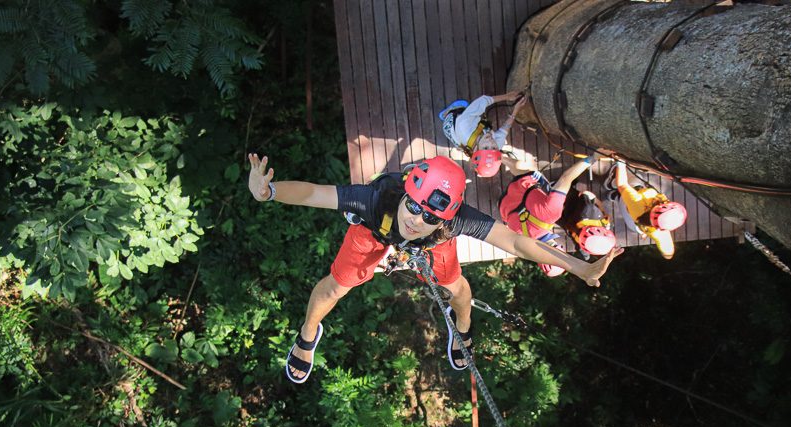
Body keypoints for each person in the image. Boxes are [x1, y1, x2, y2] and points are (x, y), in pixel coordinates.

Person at [247, 153, 622, 383]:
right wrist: (270, 191)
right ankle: (309, 333)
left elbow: (515, 241)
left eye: (429, 215)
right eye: (414, 207)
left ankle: (462, 328)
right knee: (334, 287)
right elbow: (315, 193)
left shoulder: (452, 222)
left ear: (447, 214)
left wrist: (579, 267)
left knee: (457, 288)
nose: (416, 220)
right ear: (406, 193)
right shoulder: (375, 199)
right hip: (372, 234)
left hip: (436, 247)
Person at [498, 154, 616, 276]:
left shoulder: (552, 213)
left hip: (520, 186)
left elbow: (566, 178)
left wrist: (593, 157)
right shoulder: (520, 244)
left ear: (561, 248)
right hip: (503, 207)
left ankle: (499, 157)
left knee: (526, 169)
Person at [439, 91, 528, 177]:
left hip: (451, 123)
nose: (491, 142)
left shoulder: (464, 127)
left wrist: (507, 96)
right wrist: (515, 111)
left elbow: (483, 101)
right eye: (493, 148)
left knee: (463, 106)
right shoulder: (495, 148)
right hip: (460, 138)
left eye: (485, 147)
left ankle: (447, 113)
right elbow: (504, 130)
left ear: (476, 150)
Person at [613, 161, 687, 259]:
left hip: (629, 204)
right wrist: (667, 255)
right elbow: (668, 252)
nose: (666, 202)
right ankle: (615, 195)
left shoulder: (638, 203)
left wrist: (620, 163)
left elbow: (622, 185)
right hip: (637, 226)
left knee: (633, 178)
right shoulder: (661, 231)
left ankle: (613, 186)